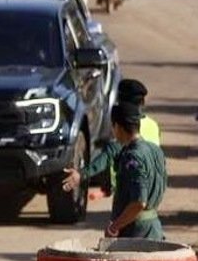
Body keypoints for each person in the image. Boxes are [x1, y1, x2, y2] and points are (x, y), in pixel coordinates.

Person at [64, 102, 167, 240]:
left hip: (136, 233)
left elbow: (139, 202)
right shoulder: (155, 150)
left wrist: (114, 227)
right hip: (154, 229)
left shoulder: (133, 156)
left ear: (118, 127)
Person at [72, 79, 162, 198]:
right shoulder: (153, 125)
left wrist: (81, 174)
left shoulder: (124, 126)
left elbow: (107, 157)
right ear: (142, 103)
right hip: (151, 191)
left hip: (130, 192)